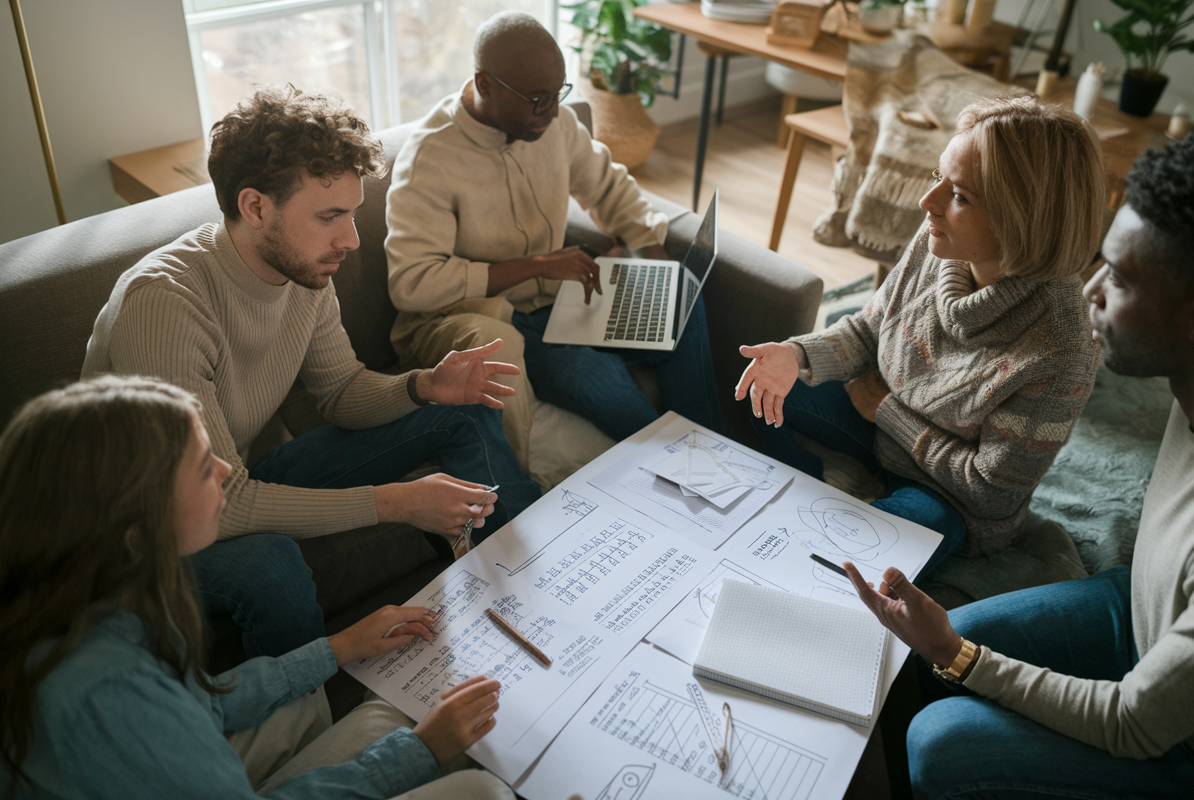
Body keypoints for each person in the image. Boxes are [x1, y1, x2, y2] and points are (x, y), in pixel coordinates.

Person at [843, 131, 1194, 799]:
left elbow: (1135, 723)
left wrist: (956, 655)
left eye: (1121, 278)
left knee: (943, 735)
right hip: (1139, 610)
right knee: (919, 663)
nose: (1090, 292)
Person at [83, 85, 541, 659]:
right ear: (255, 207)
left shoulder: (303, 270)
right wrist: (401, 501)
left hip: (238, 474)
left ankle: (537, 579)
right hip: (147, 533)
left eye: (351, 215)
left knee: (457, 407)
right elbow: (224, 503)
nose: (350, 239)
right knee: (271, 566)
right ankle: (303, 715)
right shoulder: (166, 303)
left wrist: (423, 385)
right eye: (330, 217)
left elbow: (342, 392)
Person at [0, 375, 511, 800]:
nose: (227, 470)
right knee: (477, 790)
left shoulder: (108, 605)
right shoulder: (106, 696)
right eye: (205, 467)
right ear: (137, 525)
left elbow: (206, 705)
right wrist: (419, 751)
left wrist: (339, 646)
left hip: (186, 759)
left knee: (352, 705)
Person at [735, 95, 1104, 576]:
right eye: (938, 178)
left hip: (947, 495)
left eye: (960, 196)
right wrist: (797, 355)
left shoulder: (1062, 351)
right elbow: (871, 328)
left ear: (1023, 219)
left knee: (858, 563)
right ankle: (808, 481)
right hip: (873, 421)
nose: (926, 203)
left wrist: (886, 412)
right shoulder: (941, 238)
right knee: (759, 382)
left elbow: (989, 493)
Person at [384, 11, 726, 472]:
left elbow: (610, 189)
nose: (551, 113)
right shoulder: (430, 158)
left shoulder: (555, 123)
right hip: (504, 318)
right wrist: (538, 264)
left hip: (570, 297)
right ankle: (689, 471)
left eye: (558, 94)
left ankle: (719, 453)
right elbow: (412, 283)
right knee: (605, 389)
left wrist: (652, 257)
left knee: (682, 302)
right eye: (537, 100)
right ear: (485, 85)